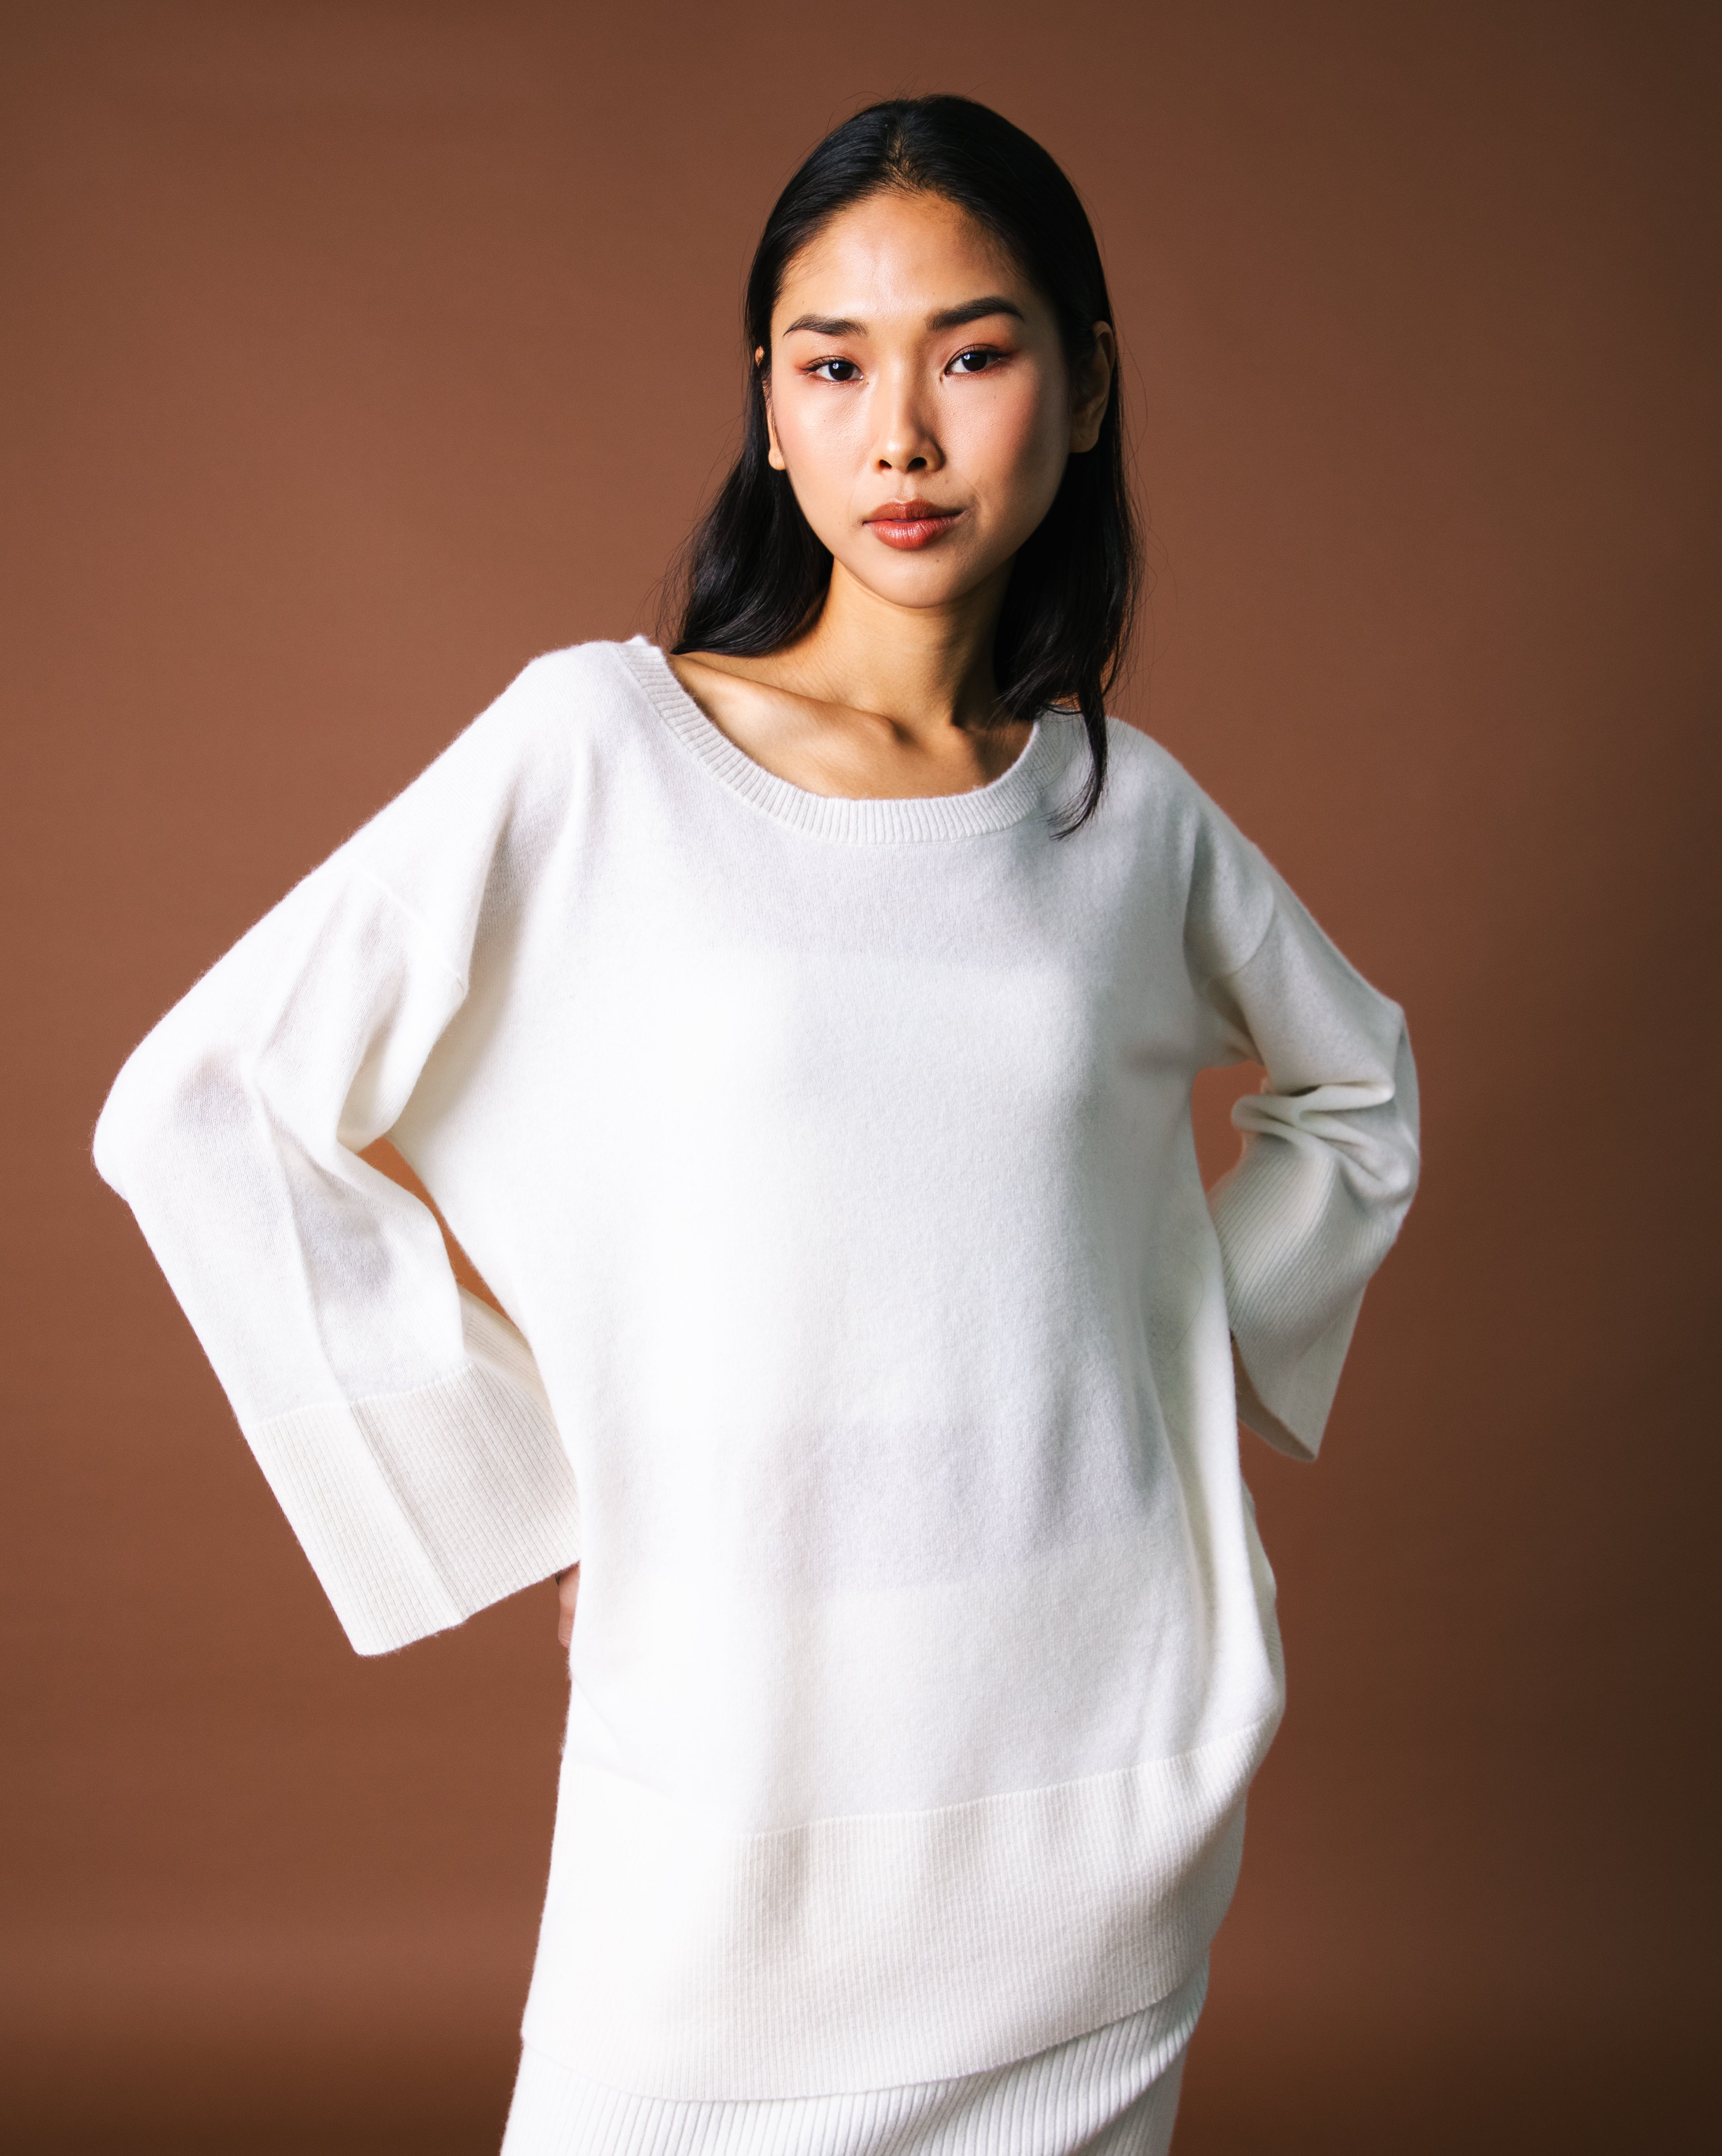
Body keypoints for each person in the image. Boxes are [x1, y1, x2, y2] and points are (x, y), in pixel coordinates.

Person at [94, 95, 1419, 2156]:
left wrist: (1169, 1357)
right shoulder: (599, 750)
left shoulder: (1121, 815)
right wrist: (533, 1487)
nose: (900, 437)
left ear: (1081, 394)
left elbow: (1355, 1089)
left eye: (970, 356)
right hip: (727, 1790)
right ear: (771, 416)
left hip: (1088, 1779)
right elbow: (205, 1106)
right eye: (832, 365)